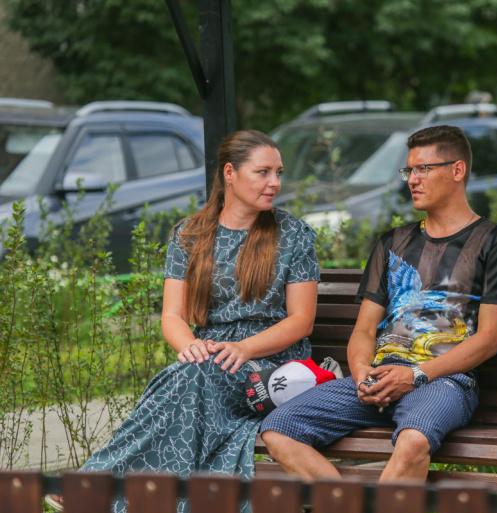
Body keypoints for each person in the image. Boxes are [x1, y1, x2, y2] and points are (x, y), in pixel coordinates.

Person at [45, 130, 319, 512]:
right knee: (188, 375)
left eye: (278, 173)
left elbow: (302, 321)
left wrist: (243, 348)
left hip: (271, 363)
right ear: (230, 173)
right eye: (263, 172)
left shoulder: (293, 235)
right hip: (209, 358)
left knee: (189, 379)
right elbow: (172, 316)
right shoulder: (190, 235)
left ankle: (91, 484)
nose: (274, 182)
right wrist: (189, 346)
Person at [260, 125, 497, 481]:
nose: (412, 180)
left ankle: (367, 504)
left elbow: (488, 340)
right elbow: (364, 330)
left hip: (442, 381)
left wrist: (415, 375)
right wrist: (361, 373)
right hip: (379, 379)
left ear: (457, 170)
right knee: (278, 429)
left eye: (424, 169)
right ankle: (346, 505)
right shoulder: (392, 243)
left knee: (414, 440)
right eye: (409, 170)